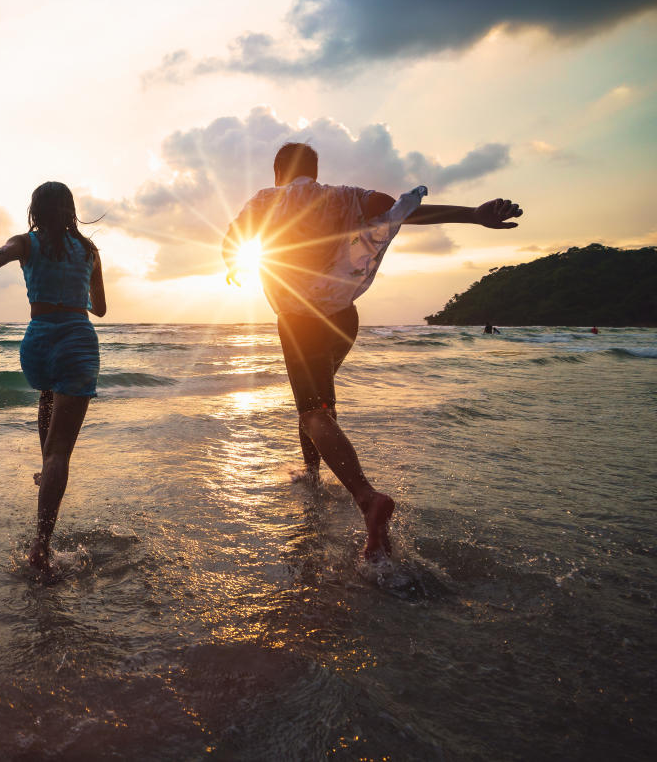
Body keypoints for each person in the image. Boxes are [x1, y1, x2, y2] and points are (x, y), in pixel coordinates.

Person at [222, 142, 522, 559]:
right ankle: (311, 474)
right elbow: (402, 210)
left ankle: (366, 498)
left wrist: (233, 263)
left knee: (313, 412)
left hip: (300, 320)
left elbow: (234, 239)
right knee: (317, 403)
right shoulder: (346, 195)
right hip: (345, 320)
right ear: (314, 167)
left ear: (277, 172)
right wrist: (472, 214)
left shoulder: (266, 200)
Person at [0, 182, 106, 574]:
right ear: (70, 211)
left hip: (38, 343)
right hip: (77, 342)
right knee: (62, 449)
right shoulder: (89, 251)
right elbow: (99, 309)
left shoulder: (28, 244)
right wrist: (78, 291)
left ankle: (44, 466)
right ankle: (41, 546)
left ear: (35, 210)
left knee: (47, 396)